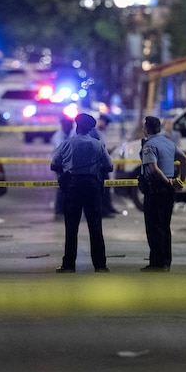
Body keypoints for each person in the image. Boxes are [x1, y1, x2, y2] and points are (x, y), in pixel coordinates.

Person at [51, 113, 114, 273]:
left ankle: (69, 264)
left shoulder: (67, 143)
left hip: (73, 186)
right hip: (93, 186)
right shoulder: (97, 144)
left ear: (77, 126)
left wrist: (66, 170)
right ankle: (100, 265)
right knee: (95, 227)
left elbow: (54, 164)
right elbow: (109, 166)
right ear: (90, 128)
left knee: (71, 227)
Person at [139, 115, 186, 272]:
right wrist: (180, 181)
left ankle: (157, 264)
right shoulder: (168, 142)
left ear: (146, 129)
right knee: (165, 226)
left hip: (155, 190)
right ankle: (166, 261)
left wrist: (165, 182)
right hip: (168, 191)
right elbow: (184, 159)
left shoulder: (149, 146)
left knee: (154, 227)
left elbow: (153, 168)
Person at [94, 114, 119, 217]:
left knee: (106, 187)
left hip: (103, 165)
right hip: (98, 166)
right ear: (100, 121)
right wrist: (107, 150)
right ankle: (103, 211)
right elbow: (97, 149)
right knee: (101, 189)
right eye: (105, 123)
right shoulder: (94, 133)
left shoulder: (101, 133)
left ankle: (108, 208)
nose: (106, 126)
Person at [51, 116, 75, 218]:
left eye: (70, 125)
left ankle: (66, 210)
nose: (69, 127)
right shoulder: (58, 136)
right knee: (62, 188)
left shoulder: (70, 135)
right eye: (67, 125)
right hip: (60, 165)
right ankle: (59, 211)